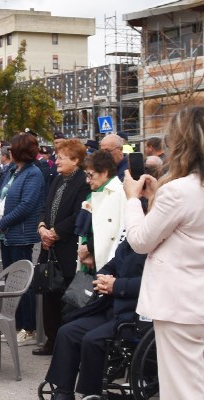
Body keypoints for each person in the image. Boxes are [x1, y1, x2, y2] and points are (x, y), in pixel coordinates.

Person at [123, 106, 204, 399]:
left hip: (180, 306)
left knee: (183, 389)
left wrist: (133, 200)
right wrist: (158, 197)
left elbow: (140, 240)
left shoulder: (180, 190)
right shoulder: (178, 191)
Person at [44, 239, 146, 399]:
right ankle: (63, 391)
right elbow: (110, 266)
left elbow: (152, 283)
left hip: (136, 315)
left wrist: (117, 285)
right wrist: (102, 279)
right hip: (112, 309)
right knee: (67, 332)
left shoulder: (157, 248)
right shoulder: (129, 243)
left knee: (92, 339)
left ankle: (92, 393)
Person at [0, 133, 45, 345]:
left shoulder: (33, 174)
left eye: (12, 147)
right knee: (11, 282)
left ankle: (29, 328)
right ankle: (17, 325)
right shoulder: (12, 171)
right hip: (6, 236)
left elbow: (26, 205)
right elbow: (0, 201)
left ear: (21, 151)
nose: (8, 151)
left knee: (22, 283)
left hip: (20, 235)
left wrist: (0, 224)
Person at [33, 139, 90, 356]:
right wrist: (42, 228)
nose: (56, 161)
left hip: (67, 247)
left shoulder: (83, 182)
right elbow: (45, 208)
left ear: (75, 160)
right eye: (57, 157)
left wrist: (55, 233)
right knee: (49, 295)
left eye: (61, 158)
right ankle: (52, 340)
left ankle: (66, 344)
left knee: (68, 298)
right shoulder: (57, 179)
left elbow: (79, 215)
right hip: (49, 247)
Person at [76, 151, 126, 272]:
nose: (87, 180)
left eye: (90, 175)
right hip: (91, 259)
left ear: (104, 173)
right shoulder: (95, 193)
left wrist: (90, 248)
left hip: (108, 263)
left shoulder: (120, 194)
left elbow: (115, 232)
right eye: (86, 175)